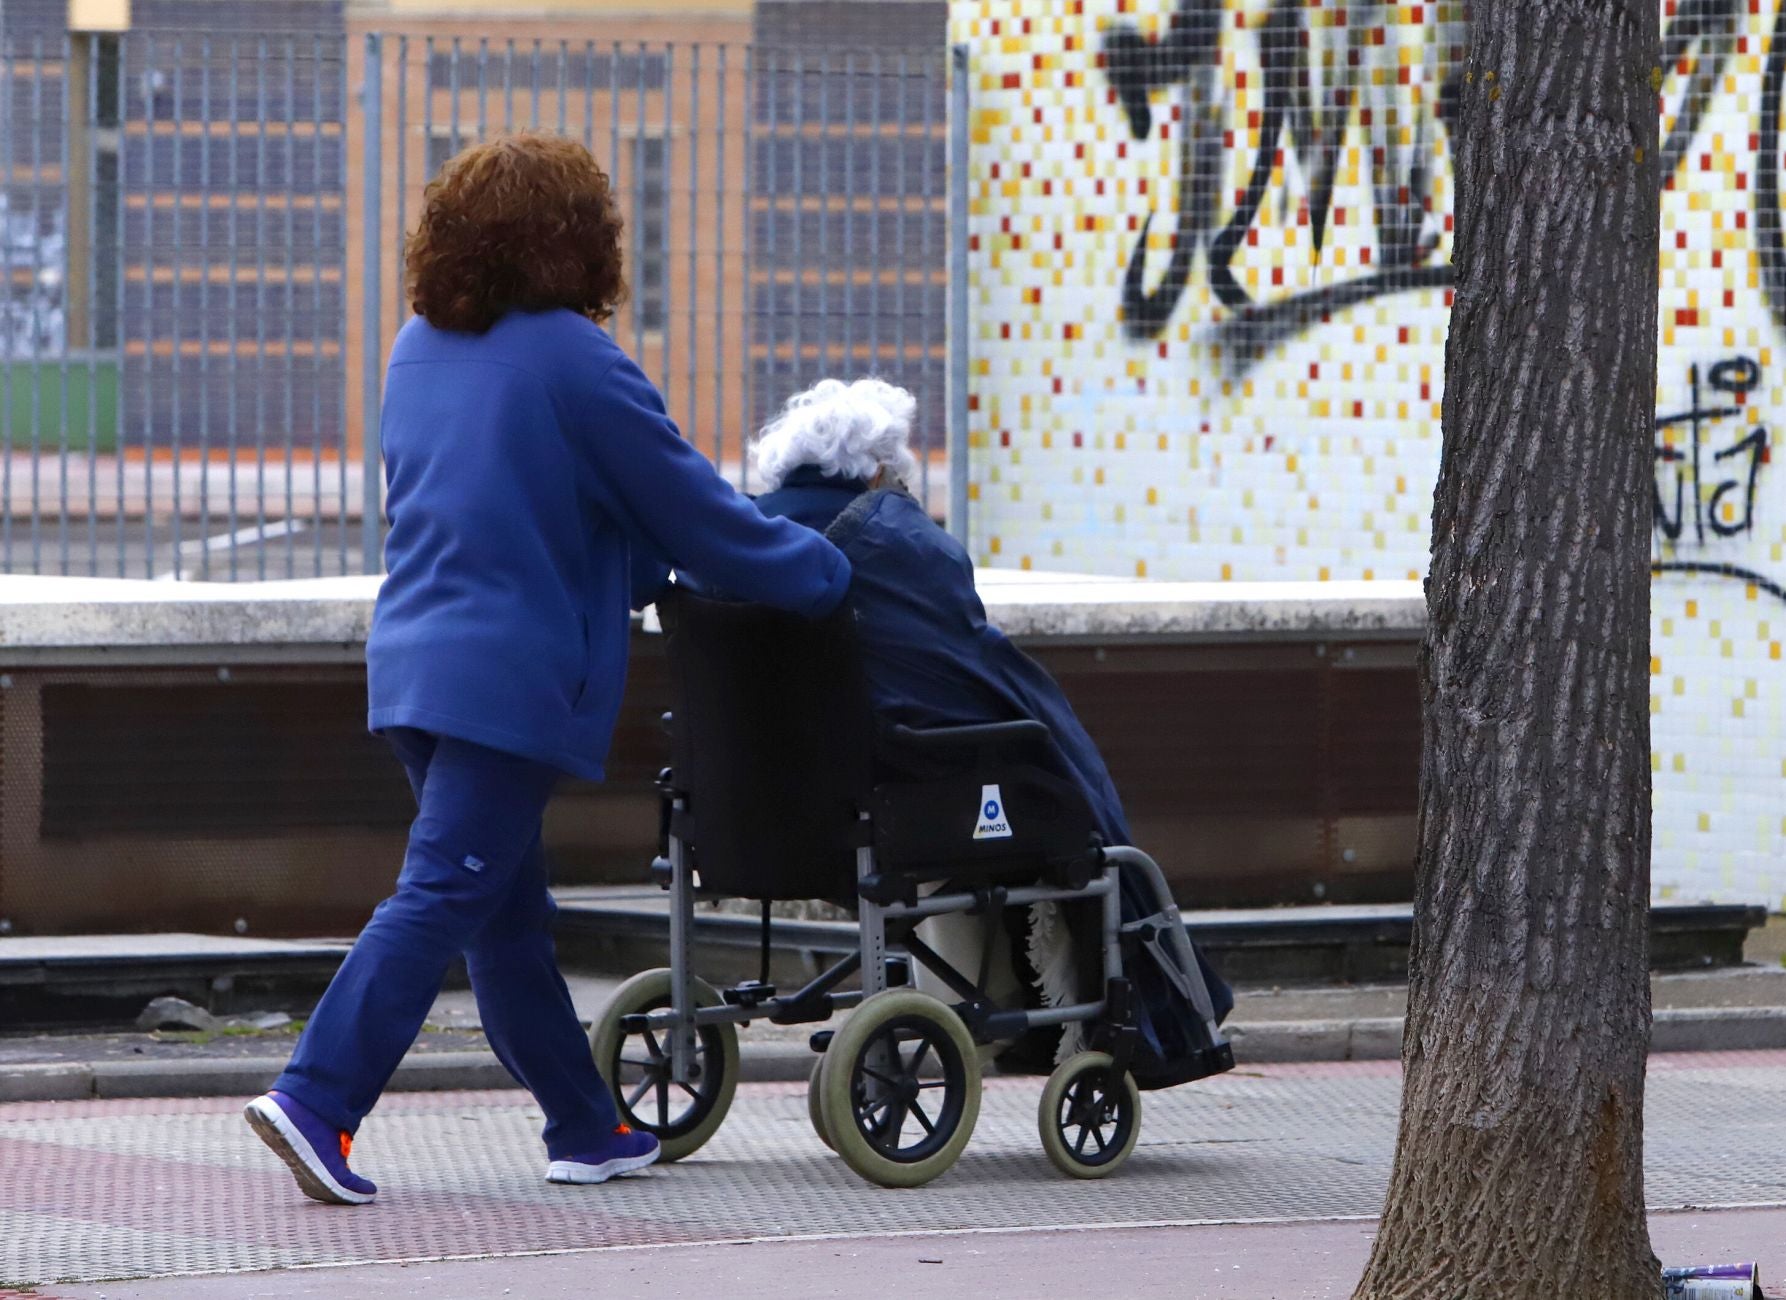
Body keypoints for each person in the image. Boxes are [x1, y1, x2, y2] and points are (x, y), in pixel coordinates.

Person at [244, 134, 850, 1206]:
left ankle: (590, 1123)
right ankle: (317, 1098)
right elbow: (696, 512)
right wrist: (829, 570)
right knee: (441, 895)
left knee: (509, 921)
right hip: (507, 685)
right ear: (577, 242)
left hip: (414, 668)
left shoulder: (417, 346)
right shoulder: (576, 358)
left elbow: (507, 499)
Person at [752, 378, 1232, 1087]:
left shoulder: (742, 538)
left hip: (763, 804)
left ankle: (981, 995)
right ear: (880, 470)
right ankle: (1105, 1020)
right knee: (1065, 804)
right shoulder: (896, 541)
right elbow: (967, 671)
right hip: (903, 795)